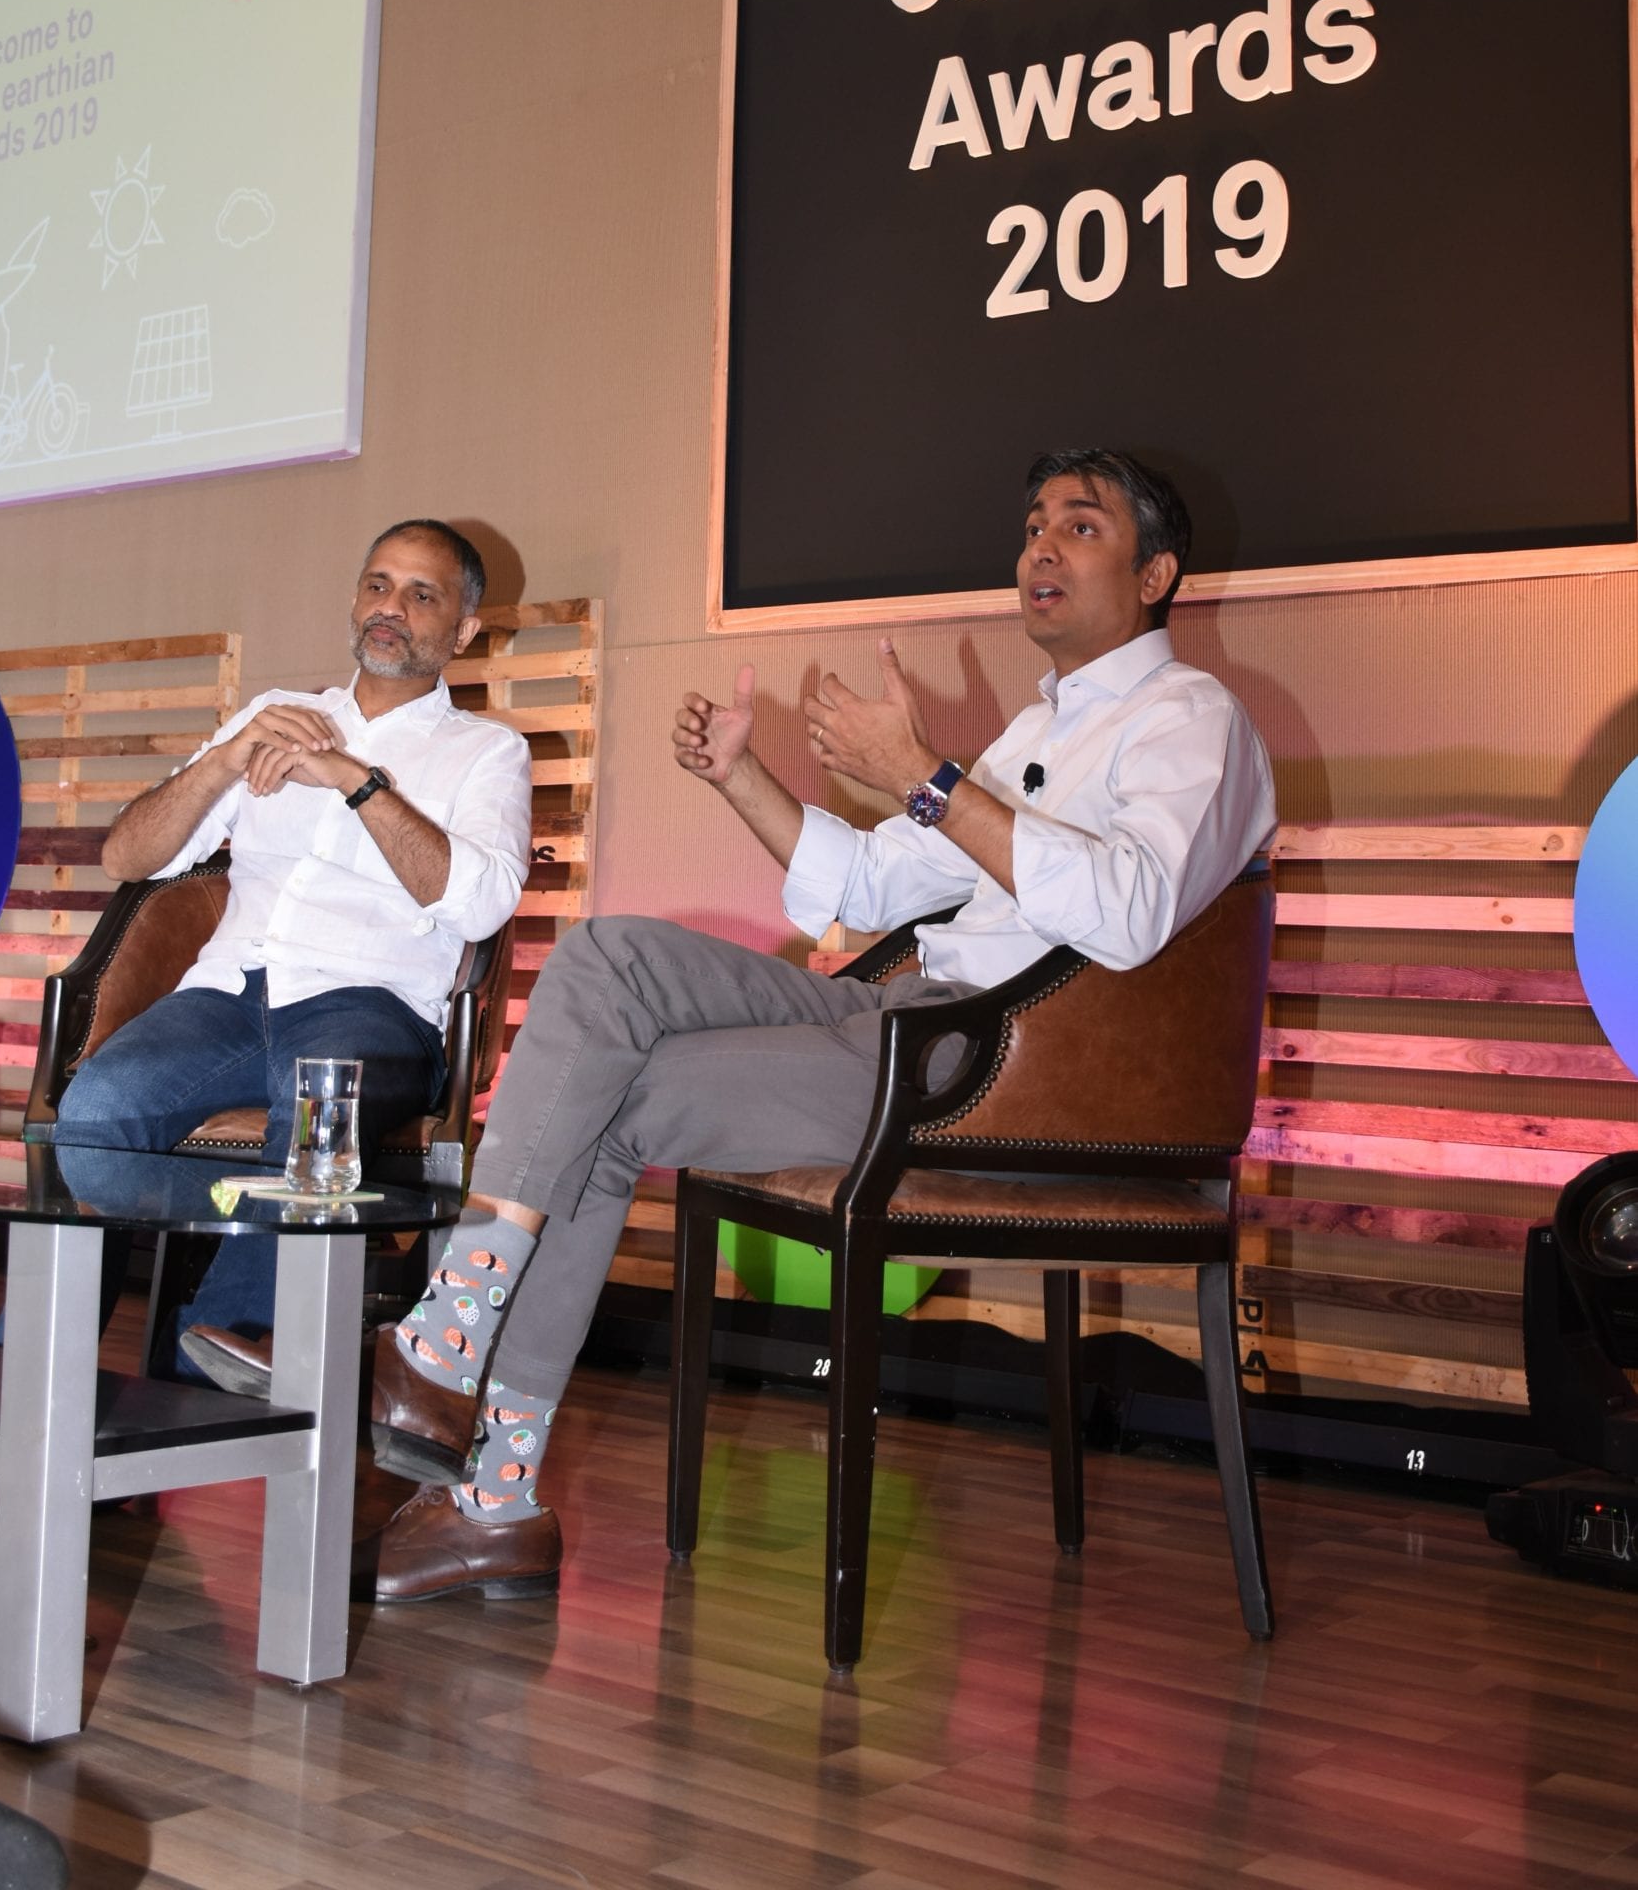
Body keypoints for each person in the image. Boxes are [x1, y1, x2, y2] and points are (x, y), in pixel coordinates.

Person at [361, 448, 1276, 1605]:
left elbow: (1132, 913)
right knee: (603, 961)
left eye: (1079, 527)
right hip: (906, 1015)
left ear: (1156, 575)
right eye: (1032, 521)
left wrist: (927, 776)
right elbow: (873, 884)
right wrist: (742, 777)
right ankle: (451, 1343)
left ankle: (493, 1483)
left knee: (603, 1101)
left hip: (991, 1070)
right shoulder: (1038, 729)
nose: (1039, 545)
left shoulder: (1195, 720)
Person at [70, 516, 534, 1381]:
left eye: (421, 594)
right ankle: (32, 1407)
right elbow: (124, 859)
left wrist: (357, 784)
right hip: (228, 997)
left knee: (316, 1101)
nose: (389, 607)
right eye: (377, 584)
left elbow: (478, 904)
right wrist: (224, 762)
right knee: (95, 1118)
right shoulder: (273, 715)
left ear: (464, 630)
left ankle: (228, 1334)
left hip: (371, 1007)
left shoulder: (487, 752)